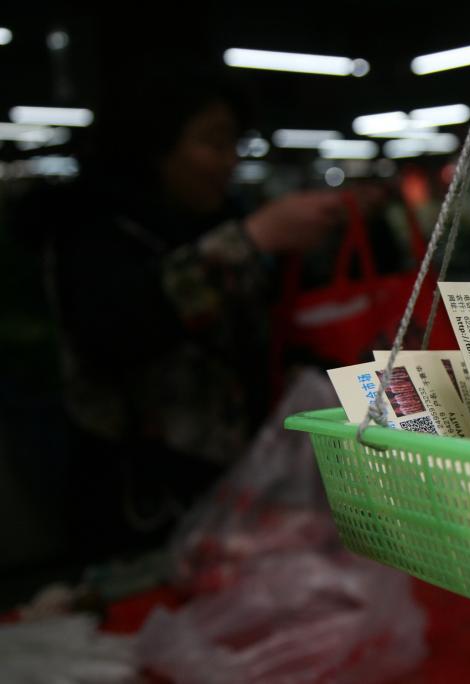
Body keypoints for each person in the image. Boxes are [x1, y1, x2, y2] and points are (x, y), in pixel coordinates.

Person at [14, 71, 346, 559]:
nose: (230, 161)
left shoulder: (213, 219)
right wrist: (251, 241)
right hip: (137, 503)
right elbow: (116, 329)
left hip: (234, 489)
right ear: (153, 146)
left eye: (234, 144)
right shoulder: (89, 228)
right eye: (213, 142)